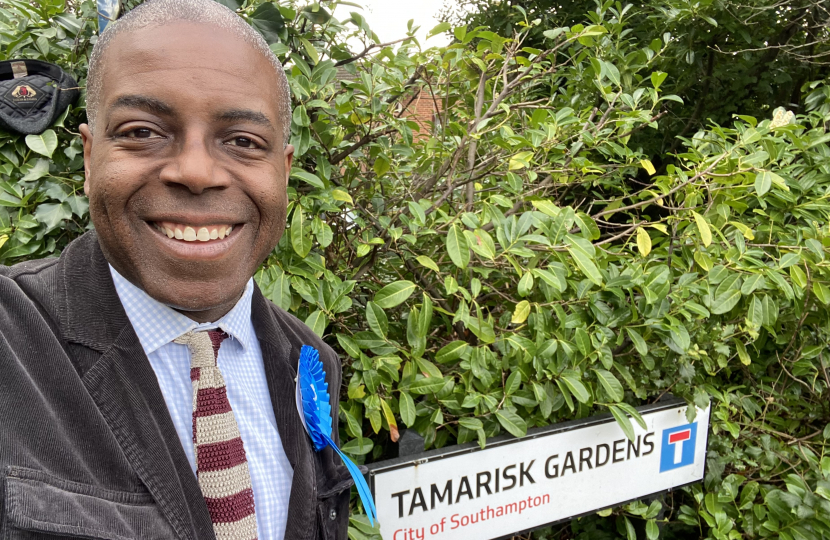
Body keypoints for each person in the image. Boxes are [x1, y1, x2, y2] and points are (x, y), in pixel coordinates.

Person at [0, 1, 351, 538]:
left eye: (242, 142)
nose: (195, 171)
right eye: (142, 131)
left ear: (282, 172)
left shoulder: (308, 360)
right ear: (91, 160)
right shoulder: (12, 344)